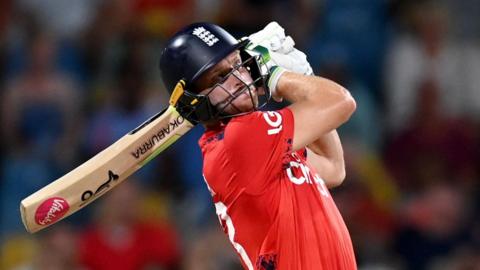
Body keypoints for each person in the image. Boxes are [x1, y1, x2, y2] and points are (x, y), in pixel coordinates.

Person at [159, 22, 357, 269]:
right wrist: (276, 74)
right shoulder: (241, 137)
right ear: (193, 100)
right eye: (220, 76)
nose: (239, 78)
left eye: (237, 64)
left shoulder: (259, 142)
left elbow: (333, 167)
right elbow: (341, 102)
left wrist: (305, 77)